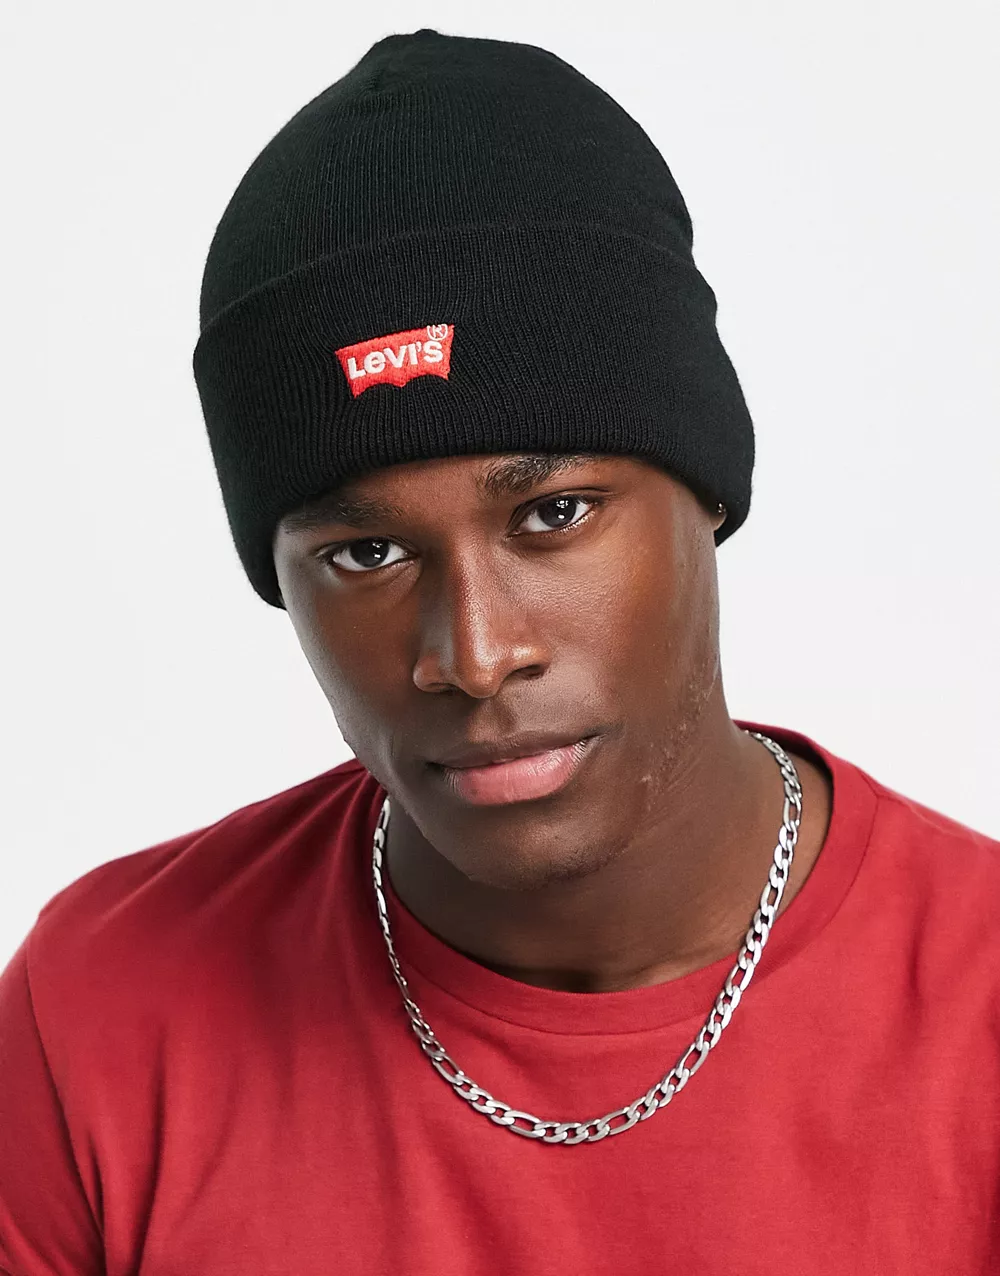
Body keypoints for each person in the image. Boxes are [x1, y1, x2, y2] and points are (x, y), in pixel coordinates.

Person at [1, 28, 997, 1275]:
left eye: (553, 513)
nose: (473, 657)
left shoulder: (977, 1015)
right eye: (365, 553)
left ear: (709, 492)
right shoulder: (101, 1015)